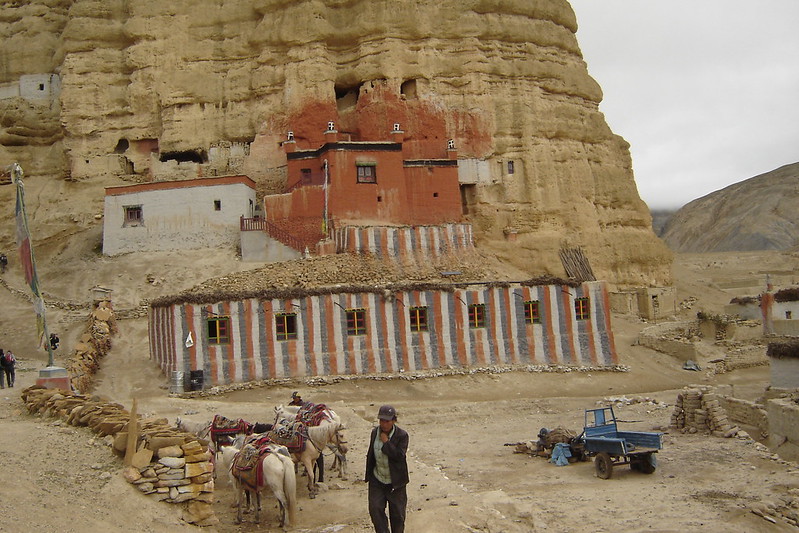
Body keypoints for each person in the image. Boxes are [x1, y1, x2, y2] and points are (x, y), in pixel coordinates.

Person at [365, 405, 409, 533]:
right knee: (375, 510)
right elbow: (371, 454)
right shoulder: (375, 433)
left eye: (387, 421)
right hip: (377, 479)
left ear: (394, 420)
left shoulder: (402, 435)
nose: (384, 424)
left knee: (397, 516)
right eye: (381, 421)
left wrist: (386, 443)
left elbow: (399, 456)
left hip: (396, 483)